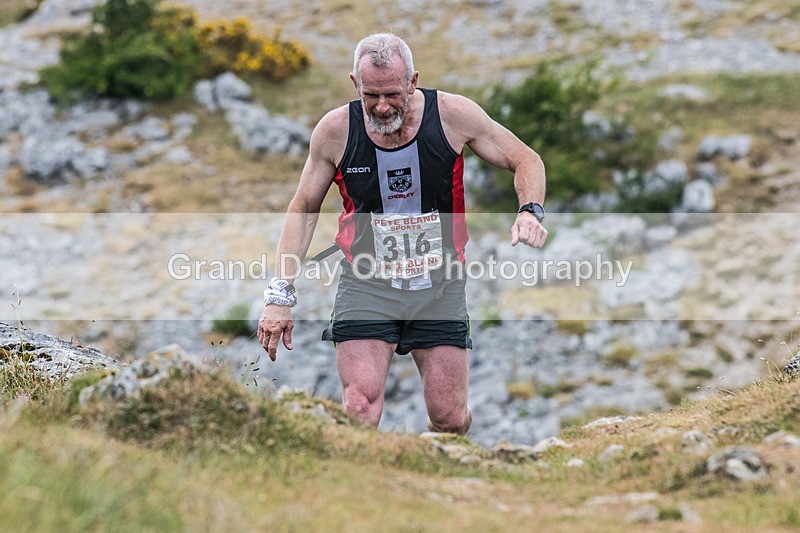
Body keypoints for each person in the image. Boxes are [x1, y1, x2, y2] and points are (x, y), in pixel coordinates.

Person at [258, 33, 547, 435]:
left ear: (413, 81)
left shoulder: (452, 115)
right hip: (366, 284)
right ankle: (364, 475)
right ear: (355, 84)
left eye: (392, 94)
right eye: (370, 95)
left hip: (440, 285)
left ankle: (439, 465)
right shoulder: (335, 131)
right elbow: (304, 207)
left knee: (449, 418)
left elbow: (525, 159)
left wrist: (529, 211)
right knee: (359, 406)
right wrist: (279, 295)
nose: (381, 106)